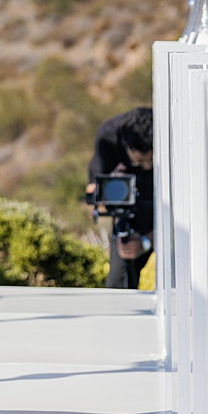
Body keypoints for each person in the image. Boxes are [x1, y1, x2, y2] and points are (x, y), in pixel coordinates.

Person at [87, 106, 155, 289]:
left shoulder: (173, 132)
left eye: (151, 161)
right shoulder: (108, 137)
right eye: (140, 162)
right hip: (130, 218)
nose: (146, 167)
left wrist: (147, 241)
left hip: (171, 215)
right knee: (118, 283)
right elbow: (94, 188)